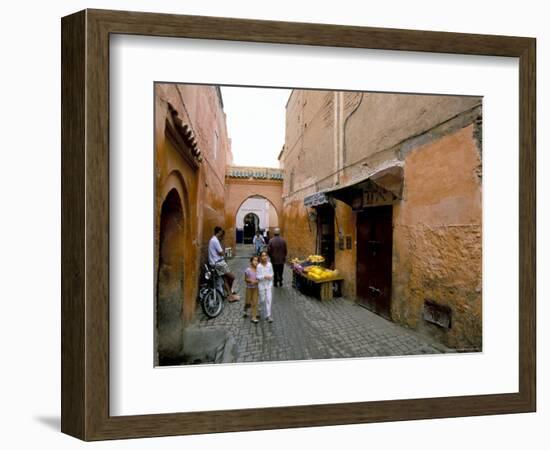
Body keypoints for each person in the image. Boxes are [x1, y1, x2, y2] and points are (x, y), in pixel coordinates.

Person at [208, 226, 239, 302]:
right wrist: (227, 253)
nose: (222, 234)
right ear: (218, 232)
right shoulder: (215, 241)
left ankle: (230, 296)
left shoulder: (213, 240)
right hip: (218, 263)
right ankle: (230, 292)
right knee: (232, 277)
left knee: (225, 279)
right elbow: (221, 253)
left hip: (215, 263)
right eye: (221, 232)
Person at [256, 250, 274, 323]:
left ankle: (268, 316)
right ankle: (259, 308)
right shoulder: (259, 266)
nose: (264, 257)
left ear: (267, 256)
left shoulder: (269, 264)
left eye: (265, 255)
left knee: (269, 300)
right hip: (261, 285)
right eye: (262, 256)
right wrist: (264, 277)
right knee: (262, 299)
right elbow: (257, 277)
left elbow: (272, 273)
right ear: (260, 257)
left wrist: (270, 277)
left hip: (269, 285)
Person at [243, 255, 259, 323]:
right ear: (251, 262)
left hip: (255, 288)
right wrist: (250, 281)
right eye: (254, 260)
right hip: (249, 288)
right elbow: (245, 279)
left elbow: (260, 279)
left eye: (257, 261)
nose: (256, 262)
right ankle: (245, 310)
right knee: (248, 302)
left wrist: (256, 282)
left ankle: (254, 317)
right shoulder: (248, 270)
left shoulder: (259, 270)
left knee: (255, 302)